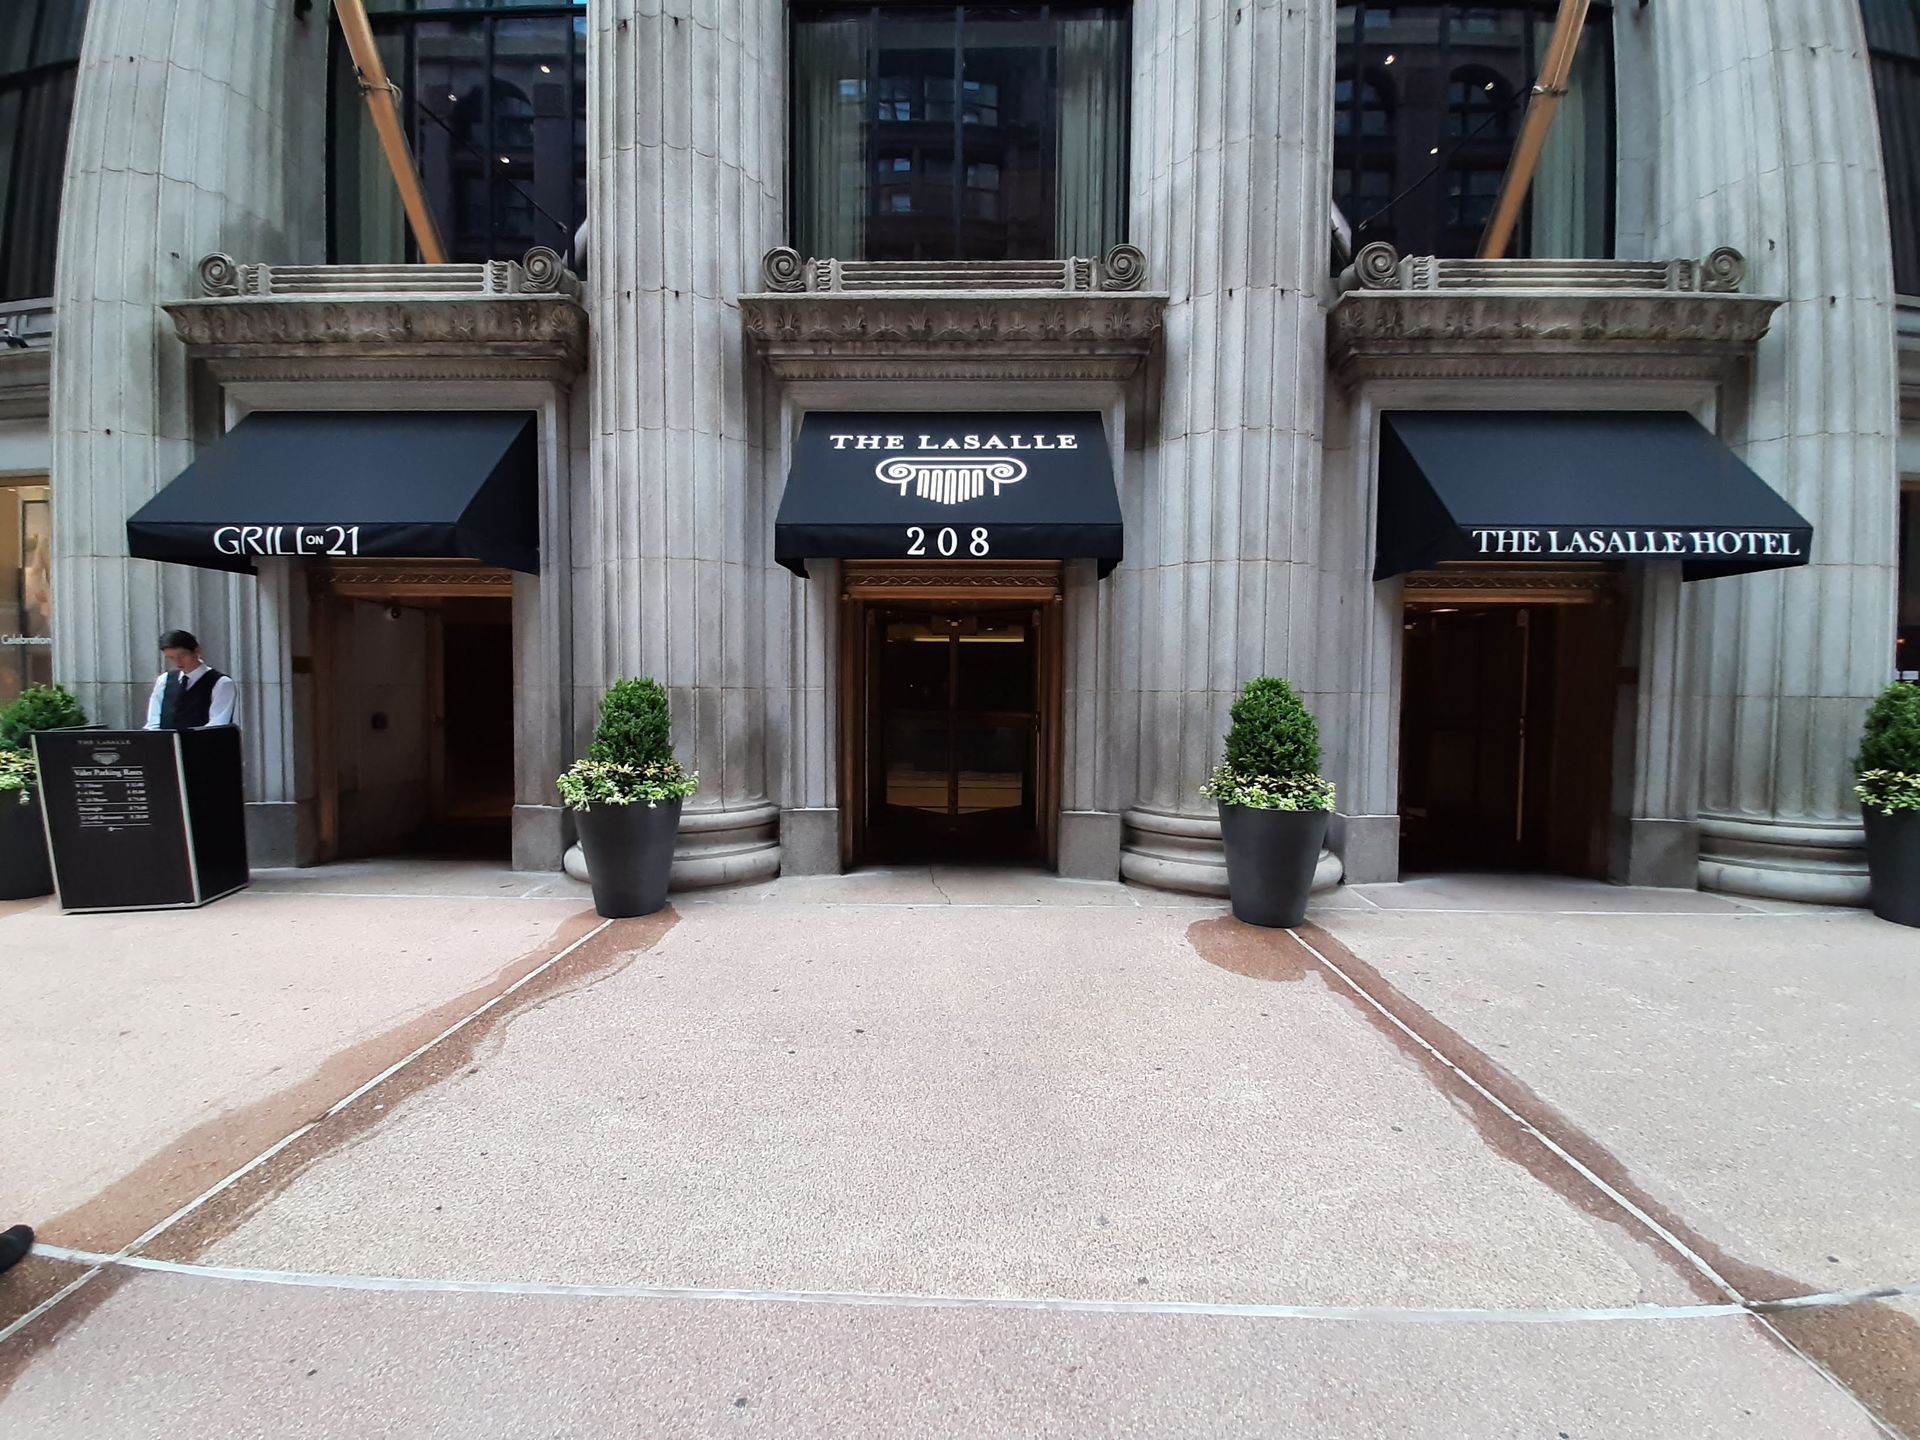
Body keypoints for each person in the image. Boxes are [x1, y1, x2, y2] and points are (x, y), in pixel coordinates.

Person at [144, 630, 236, 731]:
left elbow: (217, 725)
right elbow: (153, 722)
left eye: (182, 656)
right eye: (171, 658)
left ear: (197, 651)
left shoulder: (221, 683)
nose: (177, 662)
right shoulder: (164, 680)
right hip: (166, 743)